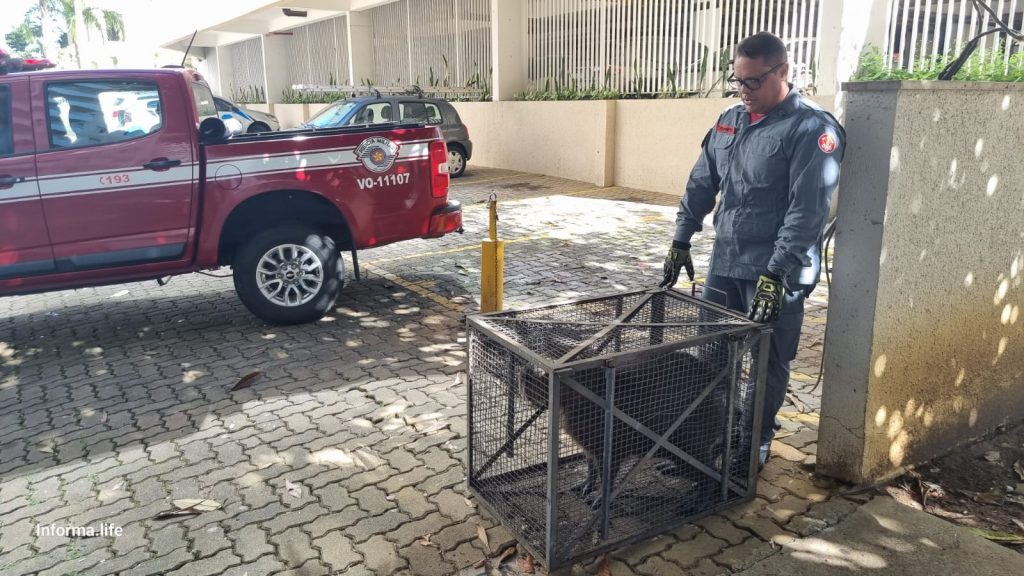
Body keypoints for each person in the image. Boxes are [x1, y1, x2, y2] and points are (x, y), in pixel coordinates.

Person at [659, 31, 845, 469]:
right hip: (726, 263)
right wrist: (681, 239)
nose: (744, 91)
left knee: (767, 362)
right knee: (713, 354)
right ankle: (711, 436)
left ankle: (754, 442)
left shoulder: (812, 129)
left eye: (753, 82)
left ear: (783, 72)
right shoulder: (729, 120)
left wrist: (776, 273)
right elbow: (702, 182)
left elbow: (806, 212)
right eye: (737, 81)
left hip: (776, 273)